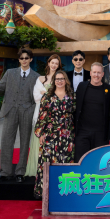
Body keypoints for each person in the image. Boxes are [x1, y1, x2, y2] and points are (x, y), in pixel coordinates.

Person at [0, 48, 39, 183]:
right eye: (22, 58)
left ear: (31, 59)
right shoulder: (10, 73)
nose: (24, 60)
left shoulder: (36, 76)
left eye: (26, 58)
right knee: (6, 140)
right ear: (19, 60)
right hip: (10, 110)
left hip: (27, 111)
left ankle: (20, 172)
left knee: (25, 142)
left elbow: (38, 95)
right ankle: (5, 172)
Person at [34, 70, 76, 198]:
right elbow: (42, 116)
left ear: (66, 80)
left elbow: (75, 115)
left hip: (67, 135)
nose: (59, 81)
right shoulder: (47, 96)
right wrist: (40, 133)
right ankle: (45, 191)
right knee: (48, 162)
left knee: (65, 162)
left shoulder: (72, 96)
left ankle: (64, 192)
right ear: (54, 81)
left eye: (62, 79)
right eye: (57, 79)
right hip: (50, 135)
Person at [28, 54, 62, 177]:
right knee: (39, 138)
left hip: (55, 115)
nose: (54, 65)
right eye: (52, 62)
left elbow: (60, 96)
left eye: (56, 63)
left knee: (52, 141)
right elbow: (36, 96)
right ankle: (36, 169)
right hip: (41, 113)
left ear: (58, 66)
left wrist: (45, 92)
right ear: (48, 63)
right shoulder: (41, 78)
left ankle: (50, 170)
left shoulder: (60, 79)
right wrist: (49, 94)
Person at [74, 62, 110, 161]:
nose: (96, 75)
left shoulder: (109, 89)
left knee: (98, 162)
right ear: (90, 73)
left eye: (99, 72)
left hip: (101, 134)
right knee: (80, 161)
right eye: (94, 72)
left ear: (103, 74)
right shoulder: (82, 86)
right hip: (82, 133)